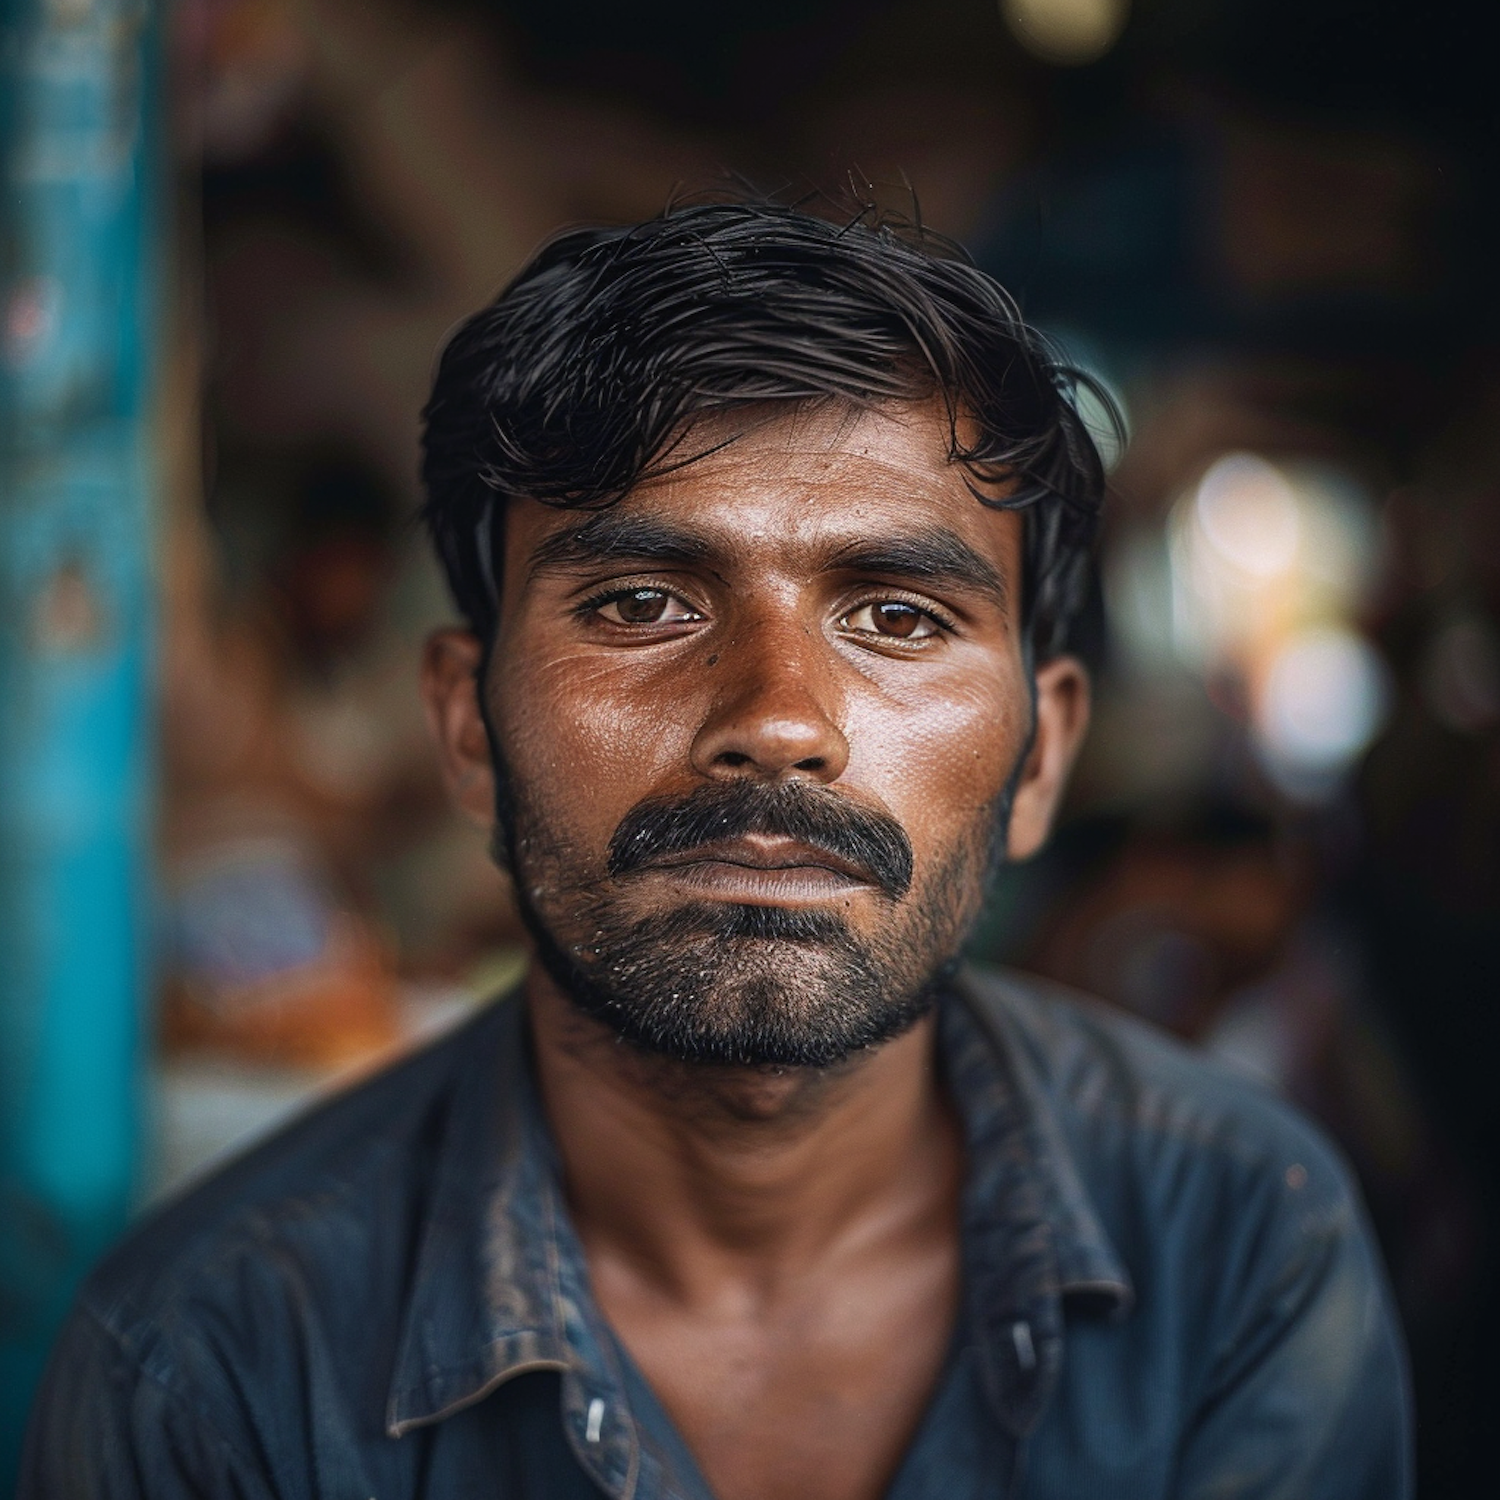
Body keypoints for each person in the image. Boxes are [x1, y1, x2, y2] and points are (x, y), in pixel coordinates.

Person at [20, 200, 1411, 1499]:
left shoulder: (1242, 1246)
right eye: (638, 602)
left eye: (900, 618)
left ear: (1040, 757)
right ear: (466, 728)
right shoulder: (206, 1367)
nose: (777, 723)